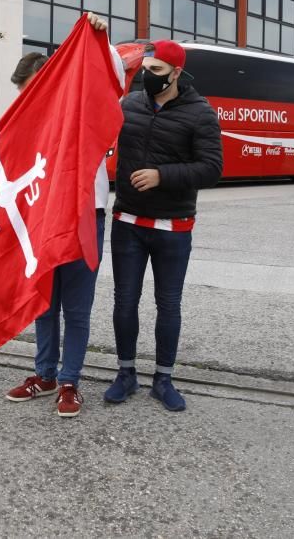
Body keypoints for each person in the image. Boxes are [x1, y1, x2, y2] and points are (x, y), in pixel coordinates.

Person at [4, 13, 119, 418]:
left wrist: (100, 38)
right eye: (23, 93)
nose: (28, 98)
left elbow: (113, 76)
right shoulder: (24, 119)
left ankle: (69, 380)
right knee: (44, 303)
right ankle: (45, 374)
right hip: (43, 218)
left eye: (33, 89)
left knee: (77, 307)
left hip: (87, 214)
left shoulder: (83, 103)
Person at [104, 40, 222, 412]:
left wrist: (162, 176)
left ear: (176, 73)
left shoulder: (200, 113)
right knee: (124, 301)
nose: (146, 76)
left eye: (156, 71)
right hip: (127, 221)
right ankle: (125, 374)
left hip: (174, 226)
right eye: (145, 69)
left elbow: (212, 168)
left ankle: (163, 379)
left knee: (168, 304)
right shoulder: (130, 104)